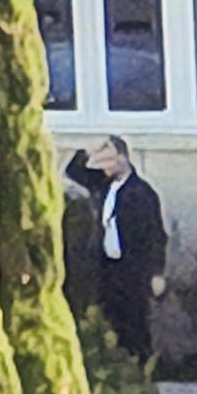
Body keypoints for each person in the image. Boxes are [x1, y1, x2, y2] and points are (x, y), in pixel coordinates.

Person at [65, 136, 168, 360]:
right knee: (111, 318)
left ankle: (140, 366)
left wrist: (157, 272)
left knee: (135, 322)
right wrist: (88, 151)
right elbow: (74, 171)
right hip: (108, 266)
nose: (106, 168)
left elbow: (156, 235)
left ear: (123, 159)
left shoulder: (141, 193)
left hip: (133, 268)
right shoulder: (105, 185)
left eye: (110, 162)